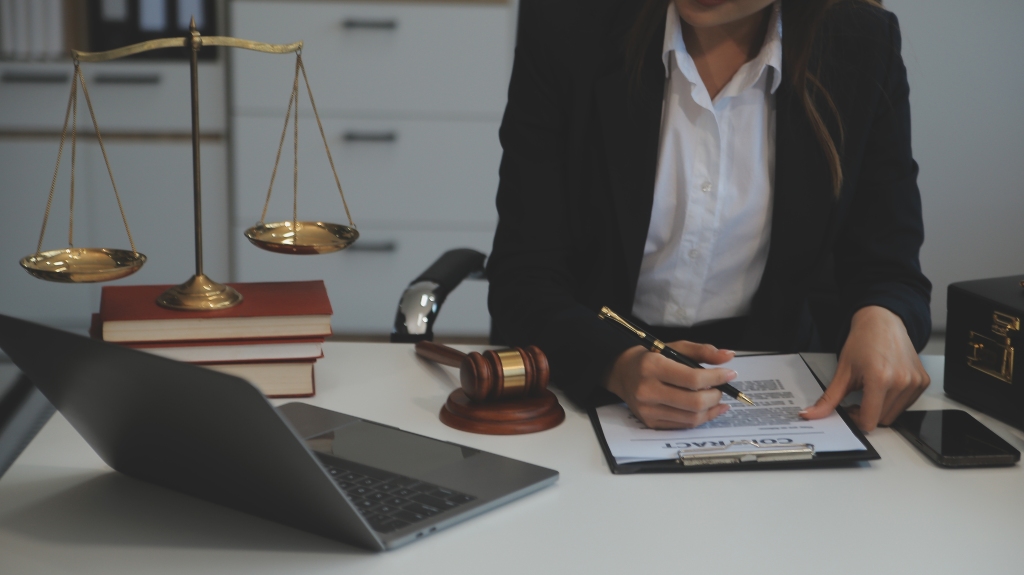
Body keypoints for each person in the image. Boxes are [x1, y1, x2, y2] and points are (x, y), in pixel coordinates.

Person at [485, 0, 932, 432]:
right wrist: (615, 364)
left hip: (776, 385)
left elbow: (889, 269)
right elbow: (523, 278)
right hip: (583, 383)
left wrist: (883, 315)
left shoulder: (860, 43)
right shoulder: (569, 24)